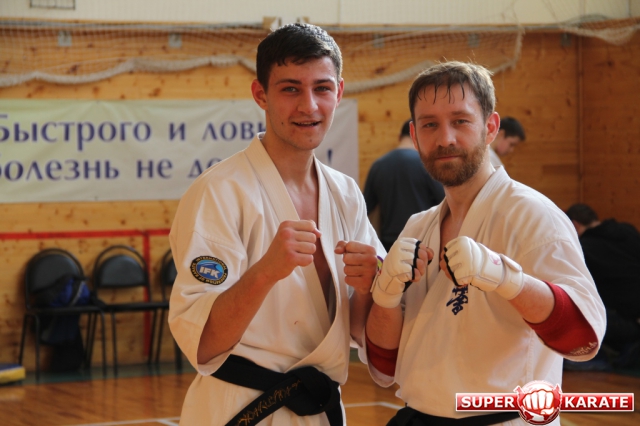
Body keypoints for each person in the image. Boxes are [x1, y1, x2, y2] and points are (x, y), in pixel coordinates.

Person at [167, 23, 408, 426]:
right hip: (241, 407)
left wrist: (370, 286)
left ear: (339, 92)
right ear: (260, 94)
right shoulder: (220, 191)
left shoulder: (345, 193)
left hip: (320, 406)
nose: (309, 106)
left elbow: (358, 330)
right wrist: (266, 271)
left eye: (322, 88)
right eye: (291, 89)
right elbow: (203, 344)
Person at [363, 61, 606, 425]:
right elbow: (384, 367)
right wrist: (384, 294)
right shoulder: (417, 227)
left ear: (490, 127)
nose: (445, 139)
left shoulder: (533, 216)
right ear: (414, 136)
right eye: (430, 125)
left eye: (460, 121)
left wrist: (506, 279)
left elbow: (583, 340)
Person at [566, 203, 640, 369]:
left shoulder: (584, 249)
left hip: (628, 323)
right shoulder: (627, 230)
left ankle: (601, 357)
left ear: (574, 225)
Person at [363, 119, 445, 251]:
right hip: (423, 244)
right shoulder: (427, 166)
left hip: (389, 244)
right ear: (416, 137)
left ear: (399, 137)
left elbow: (364, 208)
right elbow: (445, 202)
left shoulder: (378, 165)